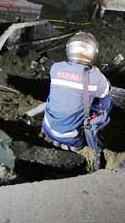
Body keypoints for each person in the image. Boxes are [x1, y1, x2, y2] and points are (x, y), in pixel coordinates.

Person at [42, 32, 112, 168]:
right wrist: (97, 72)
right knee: (106, 99)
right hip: (72, 137)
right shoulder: (95, 76)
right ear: (92, 53)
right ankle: (80, 145)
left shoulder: (55, 67)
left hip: (47, 127)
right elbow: (107, 90)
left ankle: (58, 138)